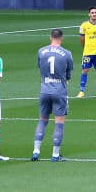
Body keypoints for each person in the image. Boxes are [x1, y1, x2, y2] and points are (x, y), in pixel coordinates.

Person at [35, 28, 74, 161]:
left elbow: (40, 68)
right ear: (61, 38)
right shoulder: (67, 53)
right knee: (59, 123)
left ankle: (36, 151)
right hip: (60, 91)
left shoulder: (41, 51)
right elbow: (68, 75)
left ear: (50, 37)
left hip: (44, 90)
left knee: (42, 120)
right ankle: (55, 155)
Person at [77, 7, 96, 98]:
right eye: (92, 13)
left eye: (95, 12)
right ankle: (81, 91)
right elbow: (82, 39)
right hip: (88, 52)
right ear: (89, 14)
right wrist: (86, 47)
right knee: (85, 70)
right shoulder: (84, 25)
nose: (94, 14)